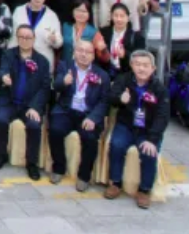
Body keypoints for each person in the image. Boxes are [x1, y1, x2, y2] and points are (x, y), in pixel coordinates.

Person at [107, 50, 169, 208]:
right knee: (116, 145)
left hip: (147, 130)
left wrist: (152, 139)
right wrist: (120, 99)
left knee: (148, 152)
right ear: (131, 65)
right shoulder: (123, 80)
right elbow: (111, 97)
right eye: (138, 64)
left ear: (153, 68)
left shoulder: (159, 89)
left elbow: (162, 117)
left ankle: (144, 190)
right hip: (126, 125)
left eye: (146, 65)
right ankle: (115, 183)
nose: (141, 68)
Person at [48, 37, 110, 189]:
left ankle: (84, 176)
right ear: (74, 52)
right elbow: (56, 86)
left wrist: (93, 118)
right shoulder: (64, 66)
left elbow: (104, 101)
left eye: (88, 52)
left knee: (90, 137)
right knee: (55, 130)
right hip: (66, 110)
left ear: (93, 56)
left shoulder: (102, 75)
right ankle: (59, 168)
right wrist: (64, 82)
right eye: (80, 50)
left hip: (88, 114)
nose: (83, 54)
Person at [0, 25, 50, 177]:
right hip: (8, 101)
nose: (24, 40)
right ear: (17, 38)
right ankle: (0, 155)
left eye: (28, 37)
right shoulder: (8, 54)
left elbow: (45, 88)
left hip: (29, 105)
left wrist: (35, 107)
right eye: (21, 37)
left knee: (34, 125)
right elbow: (2, 70)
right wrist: (3, 77)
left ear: (34, 39)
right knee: (0, 119)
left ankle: (32, 163)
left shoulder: (42, 61)